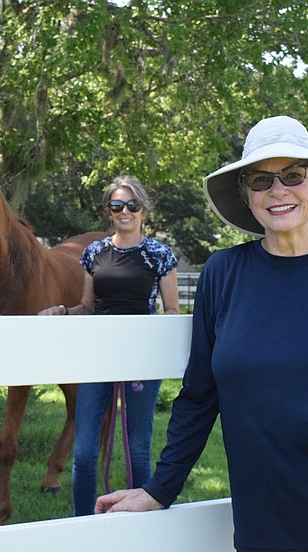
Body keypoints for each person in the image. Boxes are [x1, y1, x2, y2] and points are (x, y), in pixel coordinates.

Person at [95, 116, 308, 552]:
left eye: (294, 174)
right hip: (261, 532)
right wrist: (159, 489)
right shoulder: (222, 275)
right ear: (246, 193)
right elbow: (199, 396)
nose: (277, 190)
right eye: (260, 180)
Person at [40, 175, 180, 516]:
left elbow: (172, 311)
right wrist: (62, 311)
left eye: (132, 205)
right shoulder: (94, 253)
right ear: (109, 211)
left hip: (141, 359)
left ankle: (141, 520)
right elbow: (88, 307)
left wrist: (150, 344)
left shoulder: (159, 254)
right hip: (97, 356)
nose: (125, 211)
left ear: (144, 211)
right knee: (84, 451)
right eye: (117, 205)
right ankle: (83, 524)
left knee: (138, 447)